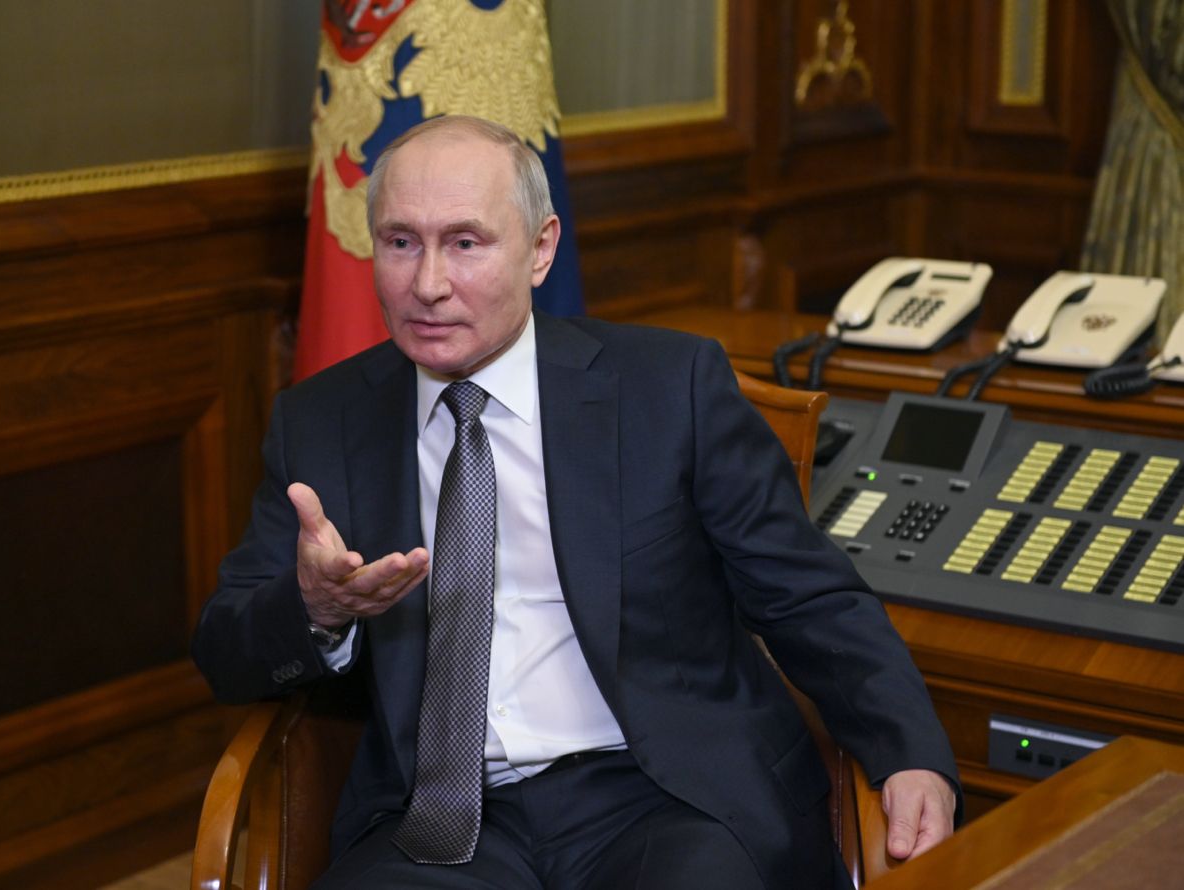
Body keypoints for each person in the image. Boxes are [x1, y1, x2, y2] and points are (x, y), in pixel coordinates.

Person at [192, 115, 959, 889]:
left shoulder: (669, 388)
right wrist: (316, 609)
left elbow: (807, 597)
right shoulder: (321, 422)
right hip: (438, 820)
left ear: (540, 248)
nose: (427, 284)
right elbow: (225, 655)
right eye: (400, 242)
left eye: (465, 242)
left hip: (665, 797)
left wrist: (908, 752)